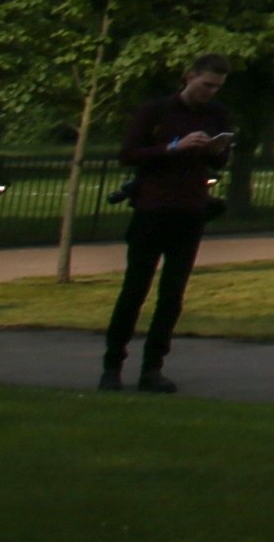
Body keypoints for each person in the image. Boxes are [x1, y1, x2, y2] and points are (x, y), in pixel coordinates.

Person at [102, 54, 238, 393]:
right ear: (188, 76)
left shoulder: (217, 114)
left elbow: (219, 161)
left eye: (217, 87)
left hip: (190, 210)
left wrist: (217, 149)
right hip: (152, 208)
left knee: (172, 294)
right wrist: (174, 146)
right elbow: (129, 154)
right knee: (135, 289)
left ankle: (152, 368)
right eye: (206, 84)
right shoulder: (156, 111)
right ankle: (112, 366)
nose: (210, 92)